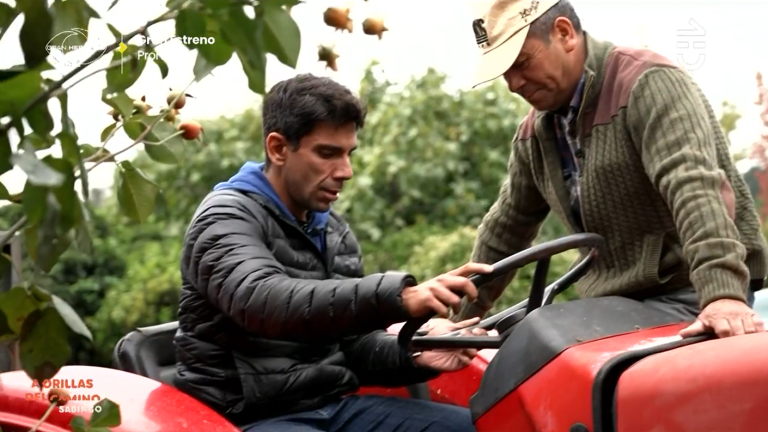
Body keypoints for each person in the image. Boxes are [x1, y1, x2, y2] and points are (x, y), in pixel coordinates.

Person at [174, 73, 490, 432]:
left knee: (482, 427)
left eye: (348, 153)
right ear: (278, 148)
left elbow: (352, 346)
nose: (346, 171)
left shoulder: (333, 230)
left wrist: (414, 351)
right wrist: (399, 297)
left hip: (330, 407)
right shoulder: (225, 217)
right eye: (327, 153)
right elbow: (262, 299)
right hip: (244, 419)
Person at [453, 0, 768, 338]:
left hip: (690, 293)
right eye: (505, 72)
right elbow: (505, 229)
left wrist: (722, 295)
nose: (514, 84)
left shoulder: (648, 85)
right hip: (615, 304)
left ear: (564, 33)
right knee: (521, 338)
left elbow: (693, 187)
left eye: (522, 62)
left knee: (541, 336)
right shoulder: (534, 134)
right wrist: (457, 322)